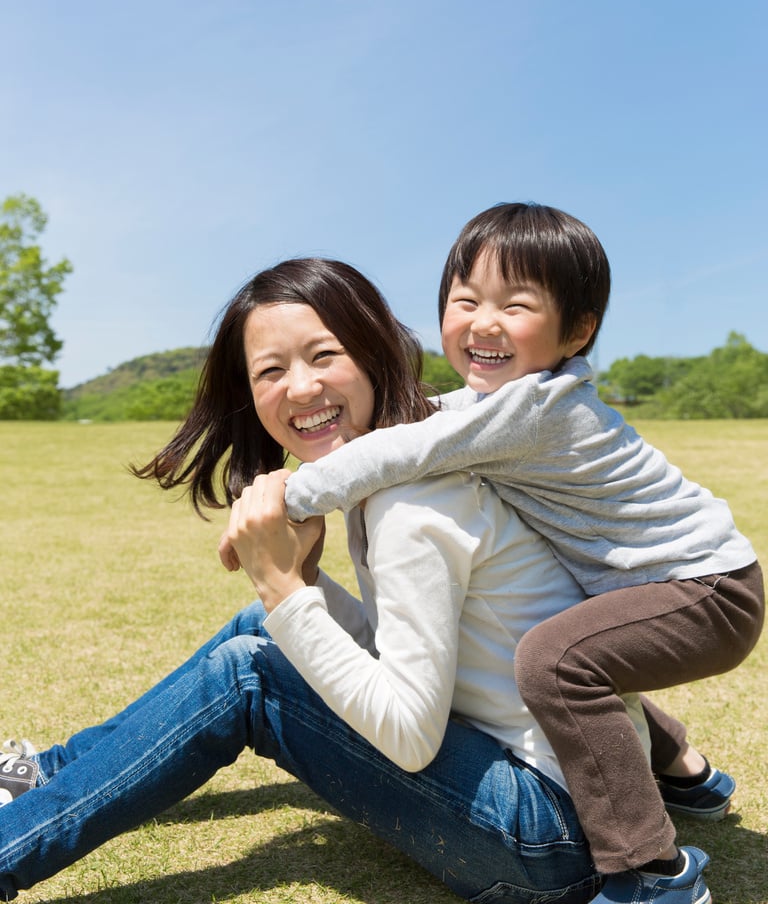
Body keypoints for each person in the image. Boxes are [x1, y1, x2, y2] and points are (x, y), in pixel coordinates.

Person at [0, 256, 674, 904]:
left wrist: (285, 590)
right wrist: (304, 590)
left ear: (376, 352)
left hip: (555, 837)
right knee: (262, 634)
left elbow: (410, 736)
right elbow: (418, 653)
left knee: (253, 671)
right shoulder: (398, 472)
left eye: (324, 356)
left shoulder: (415, 505)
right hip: (555, 793)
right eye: (270, 371)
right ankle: (40, 774)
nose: (300, 388)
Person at [278, 205, 765, 904]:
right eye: (466, 299)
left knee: (557, 661)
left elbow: (413, 446)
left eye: (516, 305)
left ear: (577, 330)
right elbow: (434, 418)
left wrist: (295, 499)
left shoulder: (539, 409)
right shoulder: (504, 405)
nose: (483, 322)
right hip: (690, 582)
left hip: (707, 592)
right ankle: (688, 773)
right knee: (579, 636)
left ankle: (652, 873)